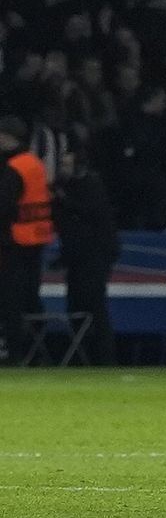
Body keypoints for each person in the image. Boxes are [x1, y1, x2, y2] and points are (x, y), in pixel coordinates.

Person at [51, 152, 120, 365]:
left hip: (94, 257)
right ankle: (84, 357)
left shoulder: (90, 186)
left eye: (67, 164)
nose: (62, 168)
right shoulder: (67, 189)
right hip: (78, 259)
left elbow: (89, 216)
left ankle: (105, 359)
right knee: (76, 305)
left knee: (95, 306)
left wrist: (63, 201)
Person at [0, 116, 55, 364]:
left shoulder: (14, 168)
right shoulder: (33, 163)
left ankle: (14, 354)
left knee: (10, 300)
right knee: (30, 299)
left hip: (16, 240)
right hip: (36, 239)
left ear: (7, 137)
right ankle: (37, 352)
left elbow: (3, 203)